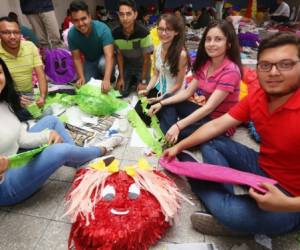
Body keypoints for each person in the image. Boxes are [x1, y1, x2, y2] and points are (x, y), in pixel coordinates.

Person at [163, 32, 300, 236]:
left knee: (234, 214)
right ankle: (223, 204)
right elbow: (217, 125)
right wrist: (179, 146)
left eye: (285, 64)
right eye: (265, 65)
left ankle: (226, 213)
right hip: (263, 166)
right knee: (211, 143)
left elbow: (209, 110)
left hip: (291, 195)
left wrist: (288, 203)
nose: (273, 72)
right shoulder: (258, 96)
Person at [0, 57, 123, 205]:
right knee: (59, 151)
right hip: (5, 183)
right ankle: (101, 149)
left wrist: (47, 135)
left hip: (15, 154)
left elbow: (19, 136)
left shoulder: (4, 102)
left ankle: (79, 160)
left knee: (51, 121)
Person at [149, 20, 242, 145]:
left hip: (218, 123)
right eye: (208, 39)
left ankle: (169, 132)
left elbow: (209, 108)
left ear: (229, 43)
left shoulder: (231, 71)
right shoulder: (206, 64)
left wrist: (178, 125)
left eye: (218, 39)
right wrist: (161, 102)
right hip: (204, 113)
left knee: (175, 131)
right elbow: (187, 92)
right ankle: (169, 132)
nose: (211, 44)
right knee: (169, 99)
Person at [135, 13, 188, 125]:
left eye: (168, 29)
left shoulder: (181, 55)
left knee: (165, 126)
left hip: (173, 94)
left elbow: (178, 85)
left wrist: (161, 99)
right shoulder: (157, 49)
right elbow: (155, 74)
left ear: (176, 32)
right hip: (159, 88)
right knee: (139, 115)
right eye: (161, 29)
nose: (164, 33)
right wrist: (148, 89)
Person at [0, 16, 47, 110]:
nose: (12, 37)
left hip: (28, 93)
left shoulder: (30, 46)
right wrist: (13, 99)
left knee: (46, 113)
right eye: (6, 33)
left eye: (16, 32)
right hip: (5, 95)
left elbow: (41, 75)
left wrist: (42, 96)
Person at [67, 0, 114, 93]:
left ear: (89, 17)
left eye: (83, 18)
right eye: (76, 20)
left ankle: (110, 77)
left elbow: (110, 56)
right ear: (72, 21)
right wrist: (81, 77)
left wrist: (107, 79)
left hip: (104, 59)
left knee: (102, 64)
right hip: (89, 61)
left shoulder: (103, 29)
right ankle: (99, 77)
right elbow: (76, 59)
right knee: (86, 85)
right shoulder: (71, 34)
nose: (80, 24)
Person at [112, 0, 153, 97]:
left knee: (143, 94)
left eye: (128, 14)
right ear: (118, 15)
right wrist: (121, 77)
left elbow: (147, 60)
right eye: (121, 14)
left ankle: (137, 80)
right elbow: (119, 56)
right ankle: (131, 80)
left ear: (135, 15)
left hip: (142, 65)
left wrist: (143, 81)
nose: (125, 18)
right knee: (121, 92)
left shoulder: (144, 33)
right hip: (127, 65)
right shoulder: (115, 33)